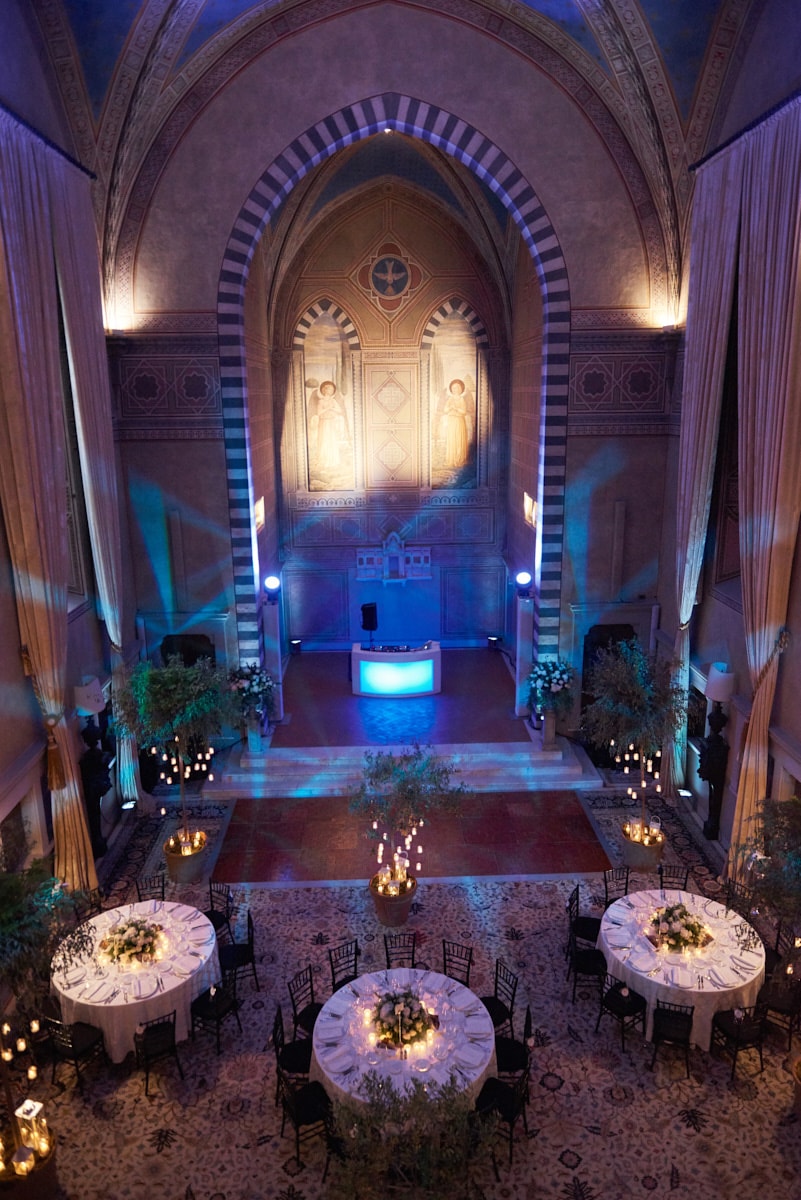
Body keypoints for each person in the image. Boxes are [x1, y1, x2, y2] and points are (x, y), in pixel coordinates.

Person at [442, 378, 471, 468]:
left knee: (459, 439)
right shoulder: (450, 399)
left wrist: (456, 408)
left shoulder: (462, 399)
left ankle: (459, 460)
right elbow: (445, 410)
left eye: (458, 388)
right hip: (451, 421)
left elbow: (464, 411)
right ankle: (451, 460)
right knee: (452, 438)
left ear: (461, 389)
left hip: (459, 421)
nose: (456, 389)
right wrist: (450, 408)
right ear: (451, 389)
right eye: (454, 388)